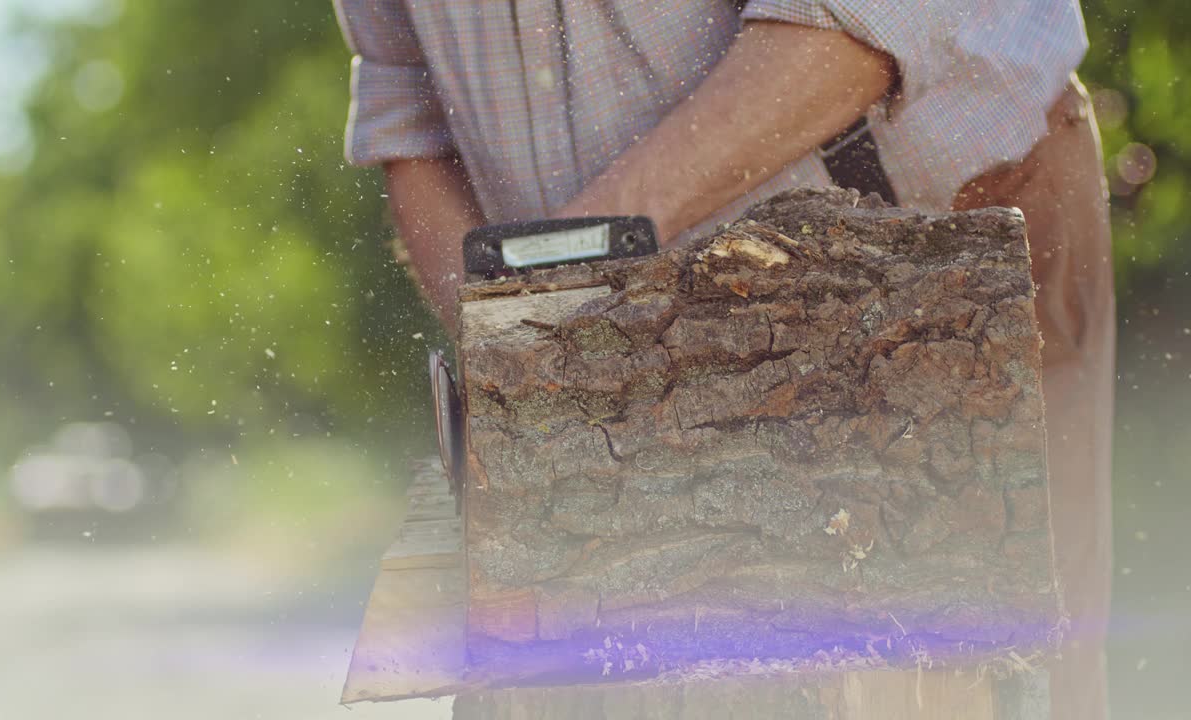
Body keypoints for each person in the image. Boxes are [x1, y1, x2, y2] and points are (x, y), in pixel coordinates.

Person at [332, 2, 1115, 718]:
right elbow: (406, 109)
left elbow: (866, 18)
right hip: (592, 359)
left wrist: (562, 277)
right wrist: (500, 329)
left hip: (918, 277)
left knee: (959, 681)